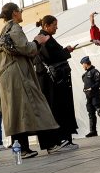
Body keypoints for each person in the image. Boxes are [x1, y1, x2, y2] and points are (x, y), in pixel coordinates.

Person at [0, 3, 57, 158]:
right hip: (18, 75)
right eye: (20, 11)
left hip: (12, 75)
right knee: (33, 107)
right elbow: (26, 48)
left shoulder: (6, 29)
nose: (22, 13)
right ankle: (46, 144)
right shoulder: (14, 28)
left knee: (18, 111)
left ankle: (31, 147)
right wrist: (37, 41)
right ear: (15, 13)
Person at [34, 15, 79, 153]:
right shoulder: (43, 38)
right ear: (46, 25)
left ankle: (64, 139)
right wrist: (65, 52)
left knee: (61, 108)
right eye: (54, 25)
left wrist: (65, 51)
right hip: (54, 81)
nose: (56, 28)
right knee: (60, 108)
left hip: (55, 80)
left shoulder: (47, 37)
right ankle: (62, 139)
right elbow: (50, 57)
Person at [80, 57, 100, 138]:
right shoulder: (84, 75)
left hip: (95, 95)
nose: (82, 66)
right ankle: (93, 131)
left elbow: (99, 82)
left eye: (83, 64)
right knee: (90, 113)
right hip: (88, 96)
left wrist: (92, 88)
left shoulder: (95, 71)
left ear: (86, 63)